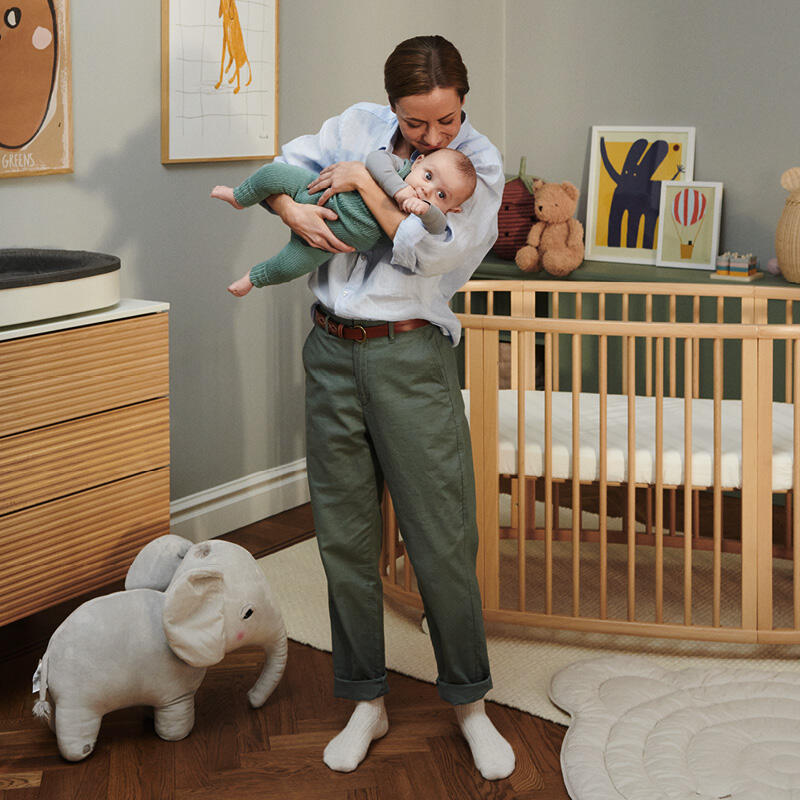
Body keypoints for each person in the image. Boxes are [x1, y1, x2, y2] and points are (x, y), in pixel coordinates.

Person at [257, 35, 514, 780]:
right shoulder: (353, 126)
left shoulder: (479, 167)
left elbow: (427, 251)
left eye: (448, 120)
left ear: (462, 99)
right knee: (342, 538)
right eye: (415, 124)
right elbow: (281, 172)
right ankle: (364, 699)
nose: (435, 137)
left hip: (411, 358)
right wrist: (290, 213)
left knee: (441, 539)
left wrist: (365, 188)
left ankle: (471, 703)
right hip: (331, 350)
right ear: (392, 106)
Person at [211, 147, 477, 296]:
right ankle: (239, 195)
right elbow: (374, 159)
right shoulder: (400, 169)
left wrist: (426, 209)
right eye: (428, 176)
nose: (427, 190)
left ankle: (254, 278)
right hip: (312, 189)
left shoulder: (423, 215)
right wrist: (399, 189)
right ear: (418, 162)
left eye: (441, 195)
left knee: (289, 266)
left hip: (327, 243)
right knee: (272, 173)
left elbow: (438, 227)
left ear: (453, 209)